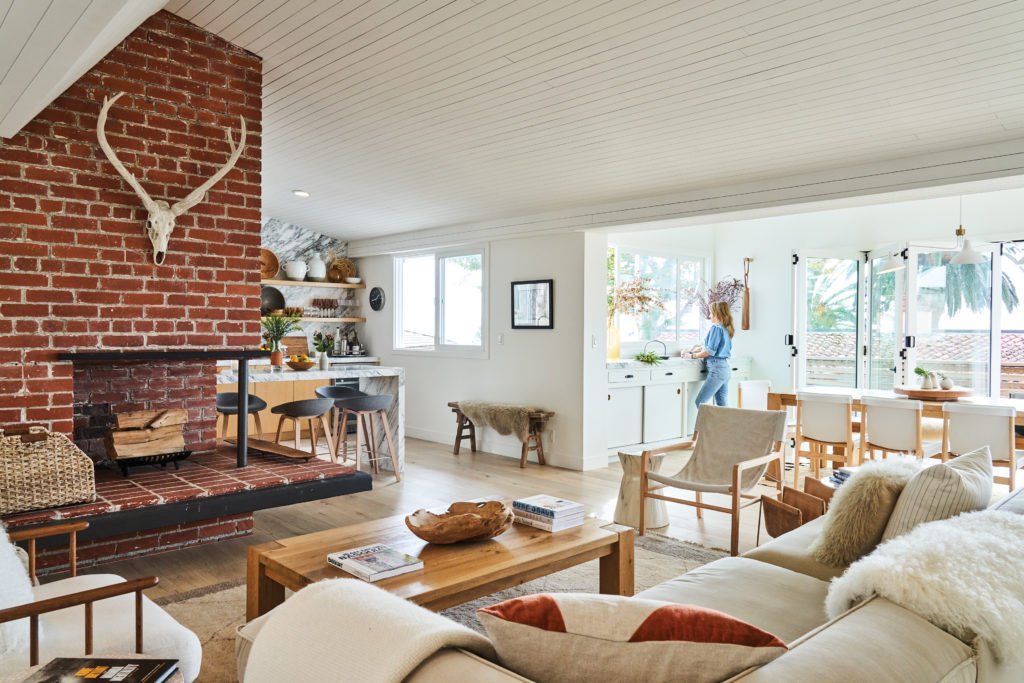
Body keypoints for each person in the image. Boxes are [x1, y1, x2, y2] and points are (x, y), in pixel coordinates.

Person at [689, 301, 735, 408]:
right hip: (724, 369)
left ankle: (707, 426)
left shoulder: (716, 328)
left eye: (711, 313)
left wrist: (691, 356)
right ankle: (726, 425)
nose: (709, 316)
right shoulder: (726, 329)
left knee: (700, 403)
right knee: (722, 406)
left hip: (717, 369)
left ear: (717, 314)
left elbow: (709, 352)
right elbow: (713, 349)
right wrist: (695, 352)